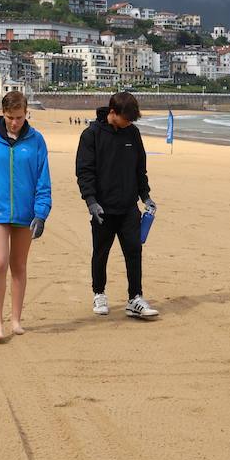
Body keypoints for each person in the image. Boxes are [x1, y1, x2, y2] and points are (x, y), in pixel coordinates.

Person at [0, 90, 52, 341]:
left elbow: (43, 181)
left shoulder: (36, 141)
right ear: (2, 113)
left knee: (19, 266)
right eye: (10, 117)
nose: (15, 122)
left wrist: (42, 213)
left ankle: (15, 319)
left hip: (26, 214)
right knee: (0, 263)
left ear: (26, 114)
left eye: (19, 117)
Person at [76, 91, 159, 319]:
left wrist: (146, 196)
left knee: (134, 251)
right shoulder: (91, 135)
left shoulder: (132, 133)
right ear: (113, 113)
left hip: (128, 208)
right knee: (101, 253)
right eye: (126, 118)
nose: (129, 123)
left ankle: (135, 299)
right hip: (102, 209)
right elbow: (84, 172)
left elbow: (139, 169)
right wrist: (91, 201)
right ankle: (99, 293)